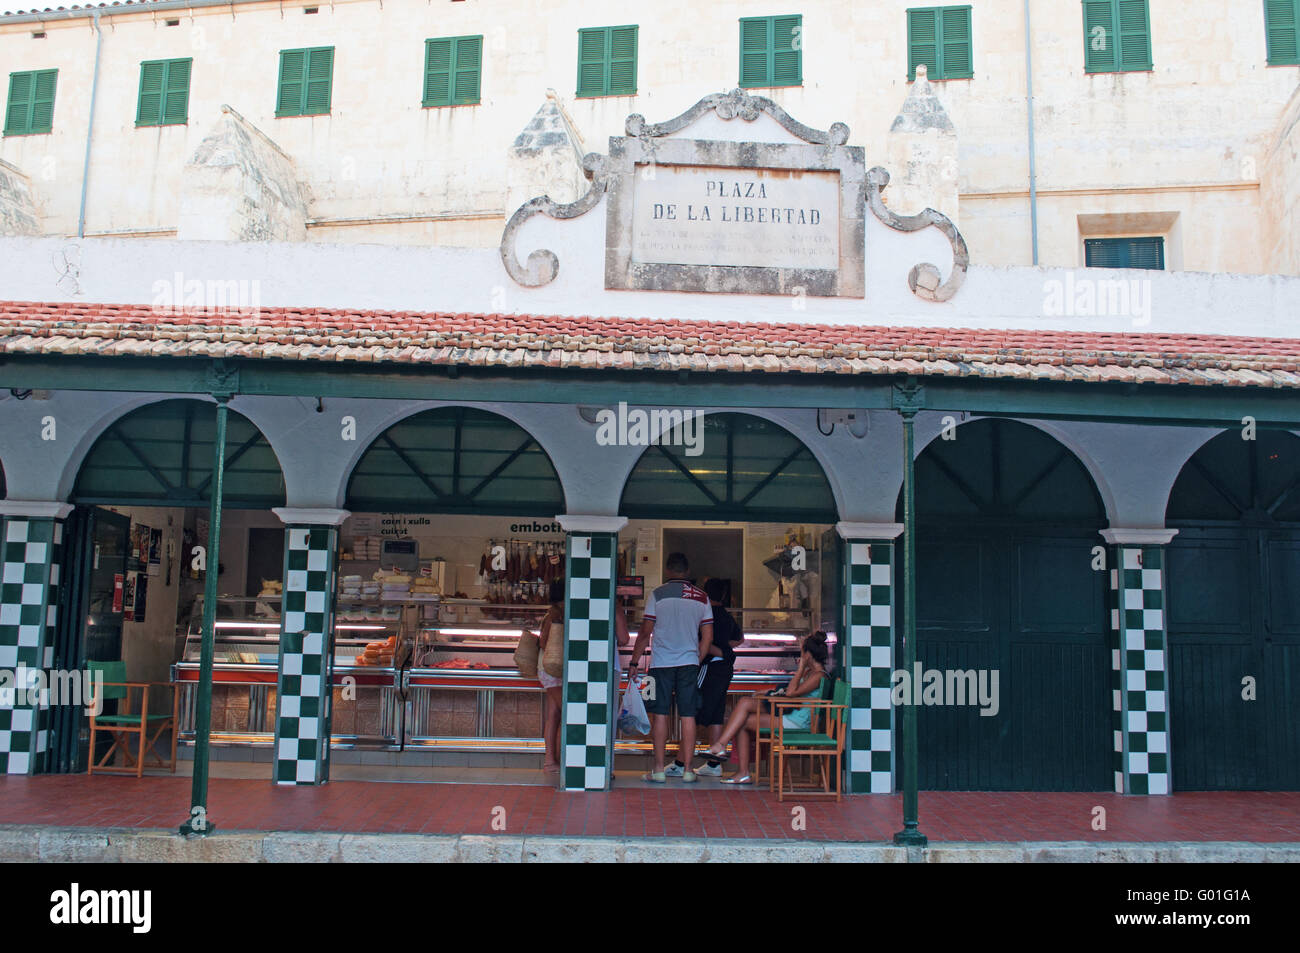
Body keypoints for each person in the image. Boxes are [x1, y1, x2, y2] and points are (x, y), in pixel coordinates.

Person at [700, 630, 830, 784]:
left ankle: (733, 760)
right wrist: (771, 692)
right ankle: (729, 756)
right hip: (790, 714)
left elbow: (791, 693)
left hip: (797, 722)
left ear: (808, 654)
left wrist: (800, 668)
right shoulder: (811, 673)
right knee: (744, 706)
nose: (800, 656)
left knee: (743, 716)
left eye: (802, 653)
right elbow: (791, 692)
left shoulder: (818, 676)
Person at [628, 552, 713, 783]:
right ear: (687, 572)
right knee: (688, 716)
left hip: (660, 665)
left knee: (660, 714)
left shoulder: (657, 594)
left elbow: (645, 633)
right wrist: (697, 657)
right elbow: (707, 635)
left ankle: (657, 769)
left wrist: (634, 662)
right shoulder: (702, 597)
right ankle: (688, 770)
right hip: (688, 664)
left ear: (667, 571)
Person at [693, 577, 745, 776]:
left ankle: (683, 762)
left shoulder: (704, 615)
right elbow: (740, 639)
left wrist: (717, 651)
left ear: (705, 594)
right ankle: (714, 765)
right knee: (716, 713)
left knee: (693, 713)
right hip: (725, 670)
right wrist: (725, 651)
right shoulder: (727, 616)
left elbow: (701, 643)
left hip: (710, 668)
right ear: (724, 595)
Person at [533, 580, 567, 773]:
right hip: (552, 671)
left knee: (554, 715)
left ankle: (550, 762)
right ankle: (560, 760)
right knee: (568, 714)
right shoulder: (555, 614)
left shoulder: (553, 612)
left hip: (550, 670)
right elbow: (545, 642)